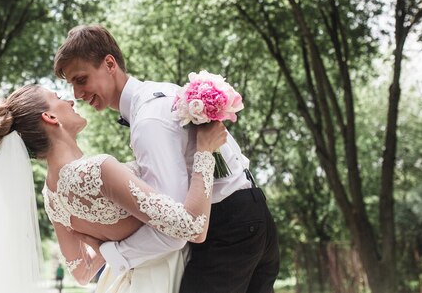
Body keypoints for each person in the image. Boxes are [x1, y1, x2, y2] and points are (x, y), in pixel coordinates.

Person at [54, 25, 280, 293]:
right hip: (253, 214)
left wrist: (112, 252)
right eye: (72, 85)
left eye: (81, 79)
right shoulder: (162, 92)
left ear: (109, 64)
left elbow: (175, 226)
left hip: (227, 228)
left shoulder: (149, 120)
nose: (77, 95)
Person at [0, 84, 227, 293]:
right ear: (49, 117)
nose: (70, 101)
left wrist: (108, 247)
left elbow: (81, 272)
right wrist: (204, 150)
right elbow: (192, 226)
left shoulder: (52, 198)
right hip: (163, 279)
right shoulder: (97, 170)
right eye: (58, 97)